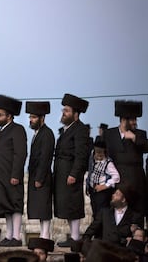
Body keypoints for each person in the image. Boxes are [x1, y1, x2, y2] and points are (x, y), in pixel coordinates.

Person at [103, 100, 148, 227]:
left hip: (136, 181)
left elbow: (146, 147)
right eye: (132, 119)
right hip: (118, 180)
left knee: (137, 214)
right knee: (117, 213)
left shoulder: (140, 134)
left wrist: (134, 138)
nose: (135, 122)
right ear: (123, 120)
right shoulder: (109, 134)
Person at [53, 93, 90, 247]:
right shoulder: (67, 129)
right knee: (66, 205)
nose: (63, 113)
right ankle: (73, 237)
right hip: (62, 172)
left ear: (75, 114)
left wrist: (74, 173)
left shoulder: (80, 129)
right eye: (63, 110)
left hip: (70, 172)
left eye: (67, 111)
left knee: (73, 205)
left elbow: (81, 154)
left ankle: (75, 238)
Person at [0, 95, 27, 247]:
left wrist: (16, 174)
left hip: (12, 175)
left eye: (0, 114)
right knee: (6, 205)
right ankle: (9, 235)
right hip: (0, 176)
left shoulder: (17, 129)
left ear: (9, 116)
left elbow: (21, 153)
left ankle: (16, 237)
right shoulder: (0, 132)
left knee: (15, 204)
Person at [25, 101, 54, 239]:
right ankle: (43, 234)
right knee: (40, 208)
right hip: (36, 176)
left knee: (44, 208)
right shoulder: (37, 133)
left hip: (42, 177)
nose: (31, 120)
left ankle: (45, 235)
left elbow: (45, 158)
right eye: (30, 117)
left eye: (34, 117)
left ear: (42, 118)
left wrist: (39, 178)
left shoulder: (47, 134)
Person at [86, 139, 120, 218]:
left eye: (101, 153)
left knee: (101, 214)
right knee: (95, 212)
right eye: (96, 152)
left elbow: (116, 177)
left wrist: (105, 186)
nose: (98, 155)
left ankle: (103, 229)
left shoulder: (108, 163)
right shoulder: (92, 158)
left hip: (102, 192)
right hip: (93, 190)